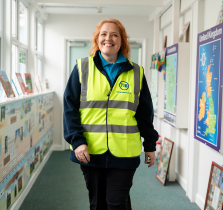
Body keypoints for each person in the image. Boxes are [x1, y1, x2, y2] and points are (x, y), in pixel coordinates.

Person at [63, 18, 158, 210]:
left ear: (122, 41)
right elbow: (69, 107)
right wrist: (77, 141)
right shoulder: (82, 68)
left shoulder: (136, 72)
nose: (109, 38)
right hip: (91, 152)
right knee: (98, 204)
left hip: (124, 152)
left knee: (116, 203)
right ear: (97, 39)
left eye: (115, 35)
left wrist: (150, 144)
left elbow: (145, 113)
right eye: (104, 34)